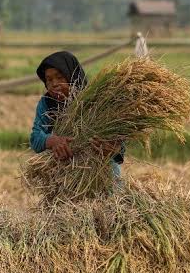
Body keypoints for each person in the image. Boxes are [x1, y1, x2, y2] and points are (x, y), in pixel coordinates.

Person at [29, 51, 124, 183]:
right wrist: (52, 141)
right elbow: (35, 137)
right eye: (49, 80)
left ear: (72, 76)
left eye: (60, 77)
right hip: (65, 174)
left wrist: (112, 148)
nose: (54, 84)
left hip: (102, 171)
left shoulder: (95, 100)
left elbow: (119, 143)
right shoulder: (47, 103)